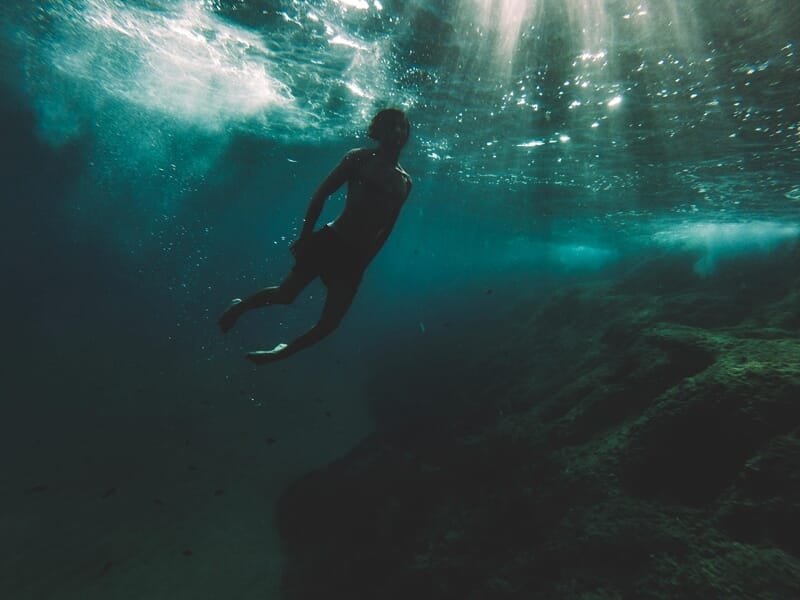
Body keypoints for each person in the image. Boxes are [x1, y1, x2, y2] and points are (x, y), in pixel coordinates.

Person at [218, 108, 412, 364]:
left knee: (330, 323)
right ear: (379, 130)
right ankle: (238, 307)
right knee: (285, 295)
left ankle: (283, 351)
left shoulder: (405, 182)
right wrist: (305, 236)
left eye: (403, 126)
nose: (398, 131)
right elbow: (321, 194)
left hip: (356, 257)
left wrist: (365, 262)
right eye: (392, 126)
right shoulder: (359, 159)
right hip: (331, 240)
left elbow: (387, 228)